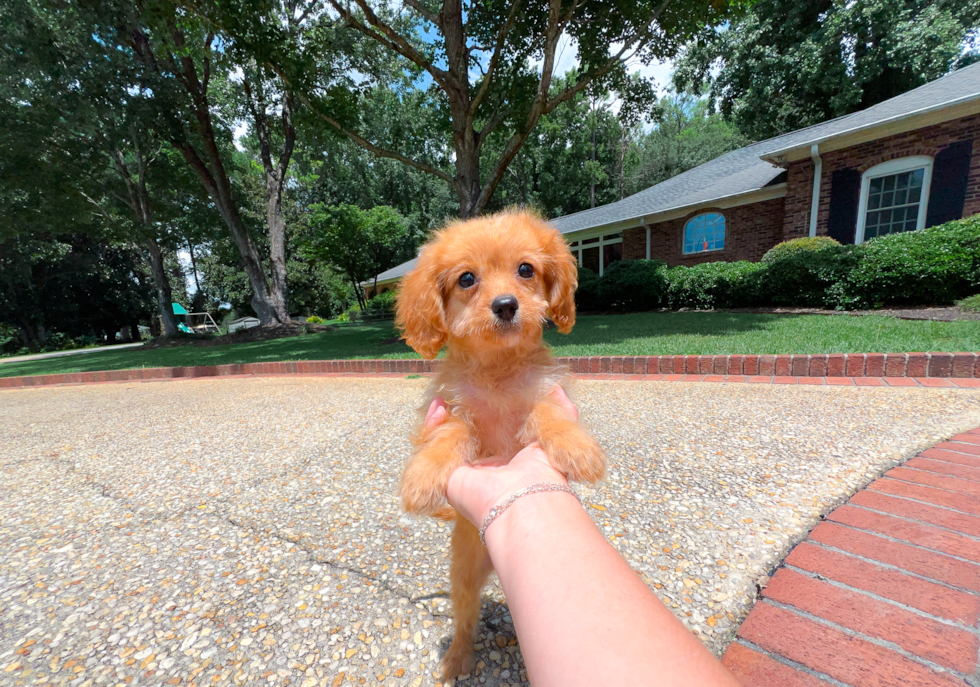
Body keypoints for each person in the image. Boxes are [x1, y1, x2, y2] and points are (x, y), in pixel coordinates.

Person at [422, 388, 742, 687]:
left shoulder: (537, 380)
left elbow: (544, 411)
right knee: (464, 585)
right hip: (468, 528)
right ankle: (463, 637)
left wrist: (551, 438)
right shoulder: (455, 385)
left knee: (541, 580)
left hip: (516, 502)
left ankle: (535, 626)